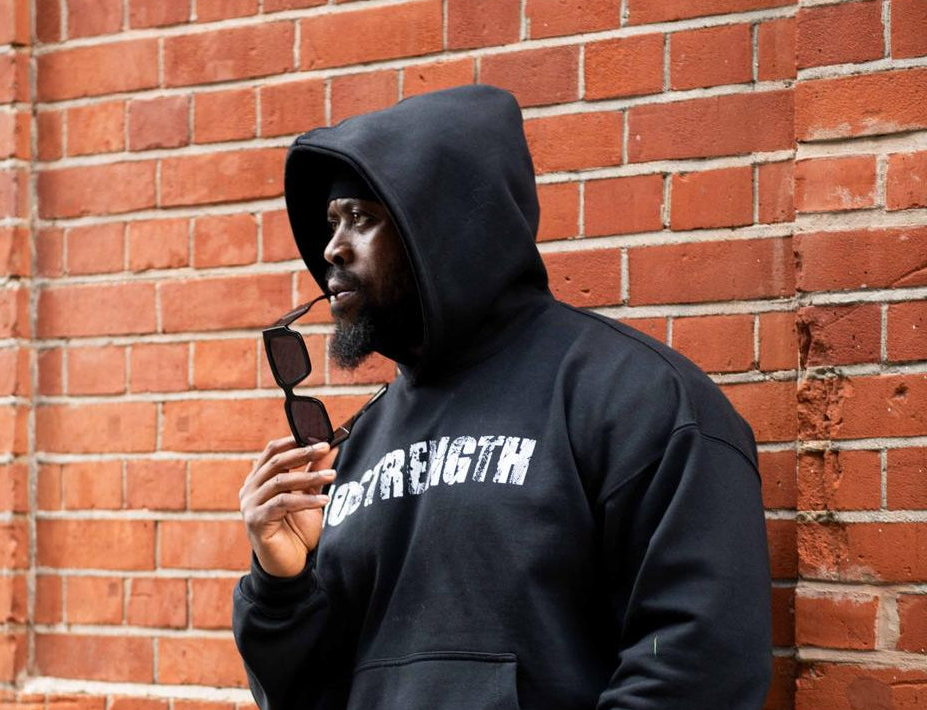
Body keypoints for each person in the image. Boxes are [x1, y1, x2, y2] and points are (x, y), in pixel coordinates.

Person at [233, 84, 772, 710]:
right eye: (331, 223)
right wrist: (280, 583)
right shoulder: (354, 448)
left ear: (443, 225)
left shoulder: (634, 400)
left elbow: (698, 668)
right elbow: (305, 696)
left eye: (362, 217)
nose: (332, 248)